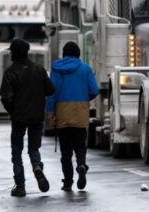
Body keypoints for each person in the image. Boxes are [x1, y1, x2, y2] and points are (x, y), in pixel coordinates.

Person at [0, 39, 55, 197]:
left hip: (18, 117)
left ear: (15, 52)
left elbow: (5, 97)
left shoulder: (10, 72)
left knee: (16, 151)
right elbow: (50, 89)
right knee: (33, 148)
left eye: (11, 51)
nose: (10, 53)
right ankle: (37, 166)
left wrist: (13, 111)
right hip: (37, 116)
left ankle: (20, 186)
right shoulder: (38, 69)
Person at [46, 41, 98, 192]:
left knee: (65, 152)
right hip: (80, 113)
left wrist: (49, 117)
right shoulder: (85, 69)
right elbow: (94, 90)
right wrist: (84, 98)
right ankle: (81, 165)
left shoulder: (56, 70)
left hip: (62, 115)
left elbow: (51, 95)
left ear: (64, 54)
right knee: (80, 146)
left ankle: (67, 182)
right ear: (78, 54)